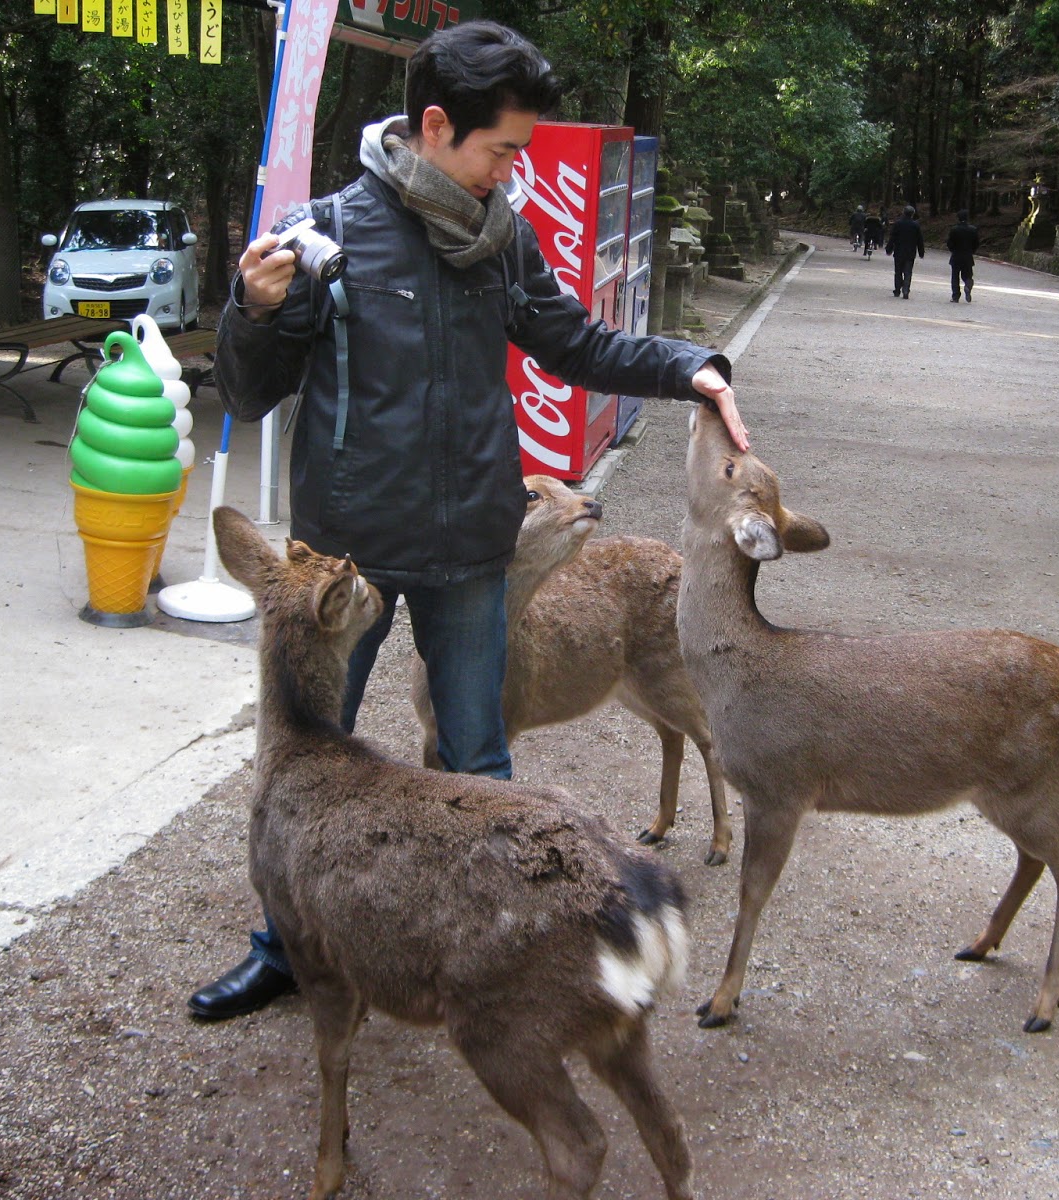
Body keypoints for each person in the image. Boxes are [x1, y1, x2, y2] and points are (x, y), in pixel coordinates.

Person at [187, 19, 749, 1021]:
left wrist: (683, 364)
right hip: (342, 560)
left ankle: (486, 949)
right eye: (501, 150)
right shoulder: (327, 236)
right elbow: (251, 387)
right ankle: (281, 948)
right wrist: (254, 309)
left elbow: (571, 342)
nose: (511, 171)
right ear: (436, 126)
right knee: (305, 758)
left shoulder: (501, 239)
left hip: (467, 552)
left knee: (480, 763)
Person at [885, 204, 924, 299]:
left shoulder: (898, 224)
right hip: (910, 252)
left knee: (898, 271)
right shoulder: (915, 225)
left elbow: (892, 237)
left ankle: (897, 289)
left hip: (899, 251)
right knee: (908, 272)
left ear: (903, 212)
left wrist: (889, 249)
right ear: (912, 214)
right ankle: (906, 289)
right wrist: (921, 251)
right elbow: (919, 240)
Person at [947, 208, 980, 303]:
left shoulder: (954, 230)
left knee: (955, 277)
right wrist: (972, 251)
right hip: (968, 256)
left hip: (956, 256)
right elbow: (976, 243)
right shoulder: (973, 230)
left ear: (958, 218)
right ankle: (967, 284)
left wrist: (953, 250)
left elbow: (949, 243)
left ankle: (955, 296)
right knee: (967, 275)